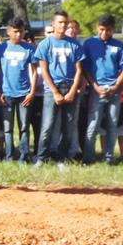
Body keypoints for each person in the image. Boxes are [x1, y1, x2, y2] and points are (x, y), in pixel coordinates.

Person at [33, 10, 85, 167]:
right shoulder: (45, 44)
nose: (63, 25)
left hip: (69, 88)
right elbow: (44, 70)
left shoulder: (74, 44)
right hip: (51, 90)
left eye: (65, 22)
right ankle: (41, 158)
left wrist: (72, 91)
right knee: (47, 126)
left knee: (68, 127)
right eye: (60, 22)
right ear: (53, 24)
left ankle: (61, 159)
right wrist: (55, 92)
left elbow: (79, 70)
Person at [81, 14, 123, 165]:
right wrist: (95, 86)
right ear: (97, 28)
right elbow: (85, 69)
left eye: (107, 30)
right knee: (93, 124)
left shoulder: (119, 45)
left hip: (114, 91)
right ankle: (88, 157)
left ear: (113, 29)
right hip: (96, 90)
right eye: (101, 29)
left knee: (112, 124)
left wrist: (115, 87)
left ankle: (109, 157)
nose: (104, 33)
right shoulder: (89, 43)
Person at [0, 18, 36, 163]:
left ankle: (23, 156)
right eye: (15, 31)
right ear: (8, 32)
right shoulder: (1, 49)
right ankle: (8, 156)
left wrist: (31, 92)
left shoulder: (29, 49)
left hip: (24, 94)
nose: (18, 34)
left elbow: (33, 72)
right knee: (8, 128)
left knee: (24, 127)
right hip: (7, 94)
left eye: (21, 31)